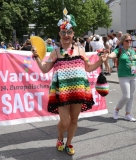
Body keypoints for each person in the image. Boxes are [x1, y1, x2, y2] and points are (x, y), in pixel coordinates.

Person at [32, 14, 107, 155]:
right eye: (63, 33)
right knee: (64, 122)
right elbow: (44, 69)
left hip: (78, 90)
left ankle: (69, 143)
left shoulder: (80, 50)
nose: (66, 35)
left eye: (69, 32)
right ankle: (60, 138)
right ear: (59, 35)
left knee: (74, 120)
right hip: (62, 92)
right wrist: (36, 56)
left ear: (73, 34)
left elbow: (88, 67)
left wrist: (100, 61)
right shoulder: (54, 52)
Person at [107, 33, 136, 122]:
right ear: (123, 41)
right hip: (123, 76)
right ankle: (116, 109)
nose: (129, 42)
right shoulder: (119, 50)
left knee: (131, 96)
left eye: (130, 40)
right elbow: (112, 55)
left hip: (133, 75)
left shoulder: (134, 50)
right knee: (126, 96)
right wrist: (107, 54)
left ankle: (128, 114)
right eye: (127, 40)